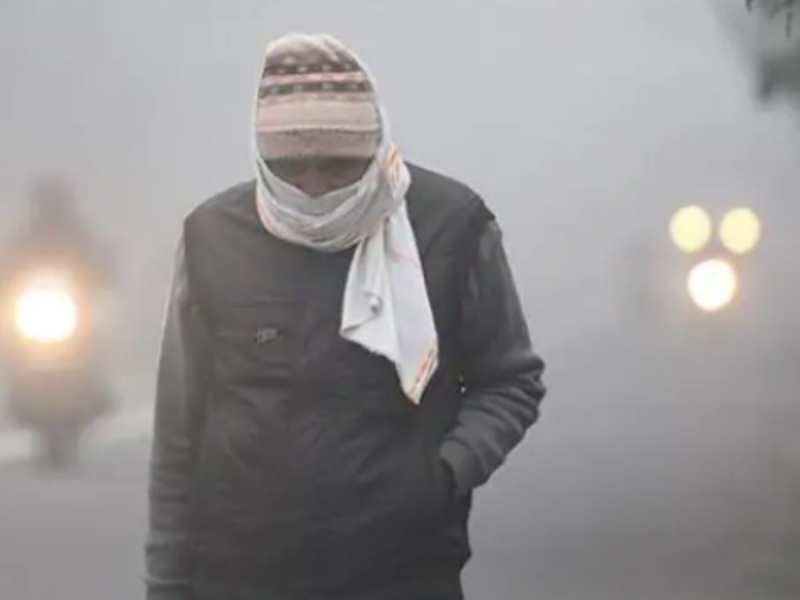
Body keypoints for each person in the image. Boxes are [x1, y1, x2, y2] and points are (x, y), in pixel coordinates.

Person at [145, 32, 546, 600]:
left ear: (375, 146)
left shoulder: (451, 227)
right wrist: (165, 581)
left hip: (402, 569)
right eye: (290, 167)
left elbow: (510, 381)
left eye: (336, 166)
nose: (312, 188)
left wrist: (444, 473)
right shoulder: (213, 237)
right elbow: (178, 430)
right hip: (239, 571)